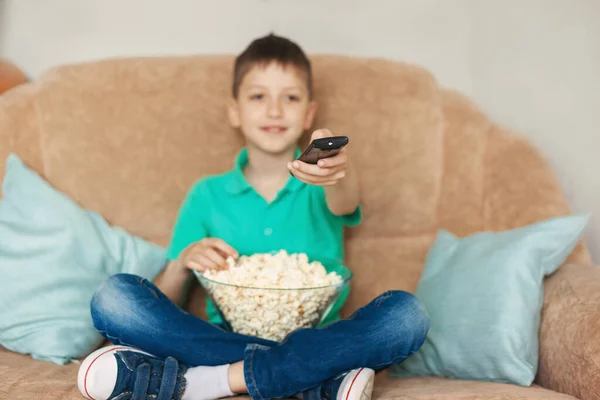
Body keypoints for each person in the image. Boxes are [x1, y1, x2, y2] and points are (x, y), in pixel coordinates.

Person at [77, 34, 429, 400]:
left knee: (408, 315)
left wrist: (337, 169)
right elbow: (166, 302)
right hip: (231, 339)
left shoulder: (321, 183)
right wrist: (183, 262)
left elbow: (344, 195)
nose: (274, 110)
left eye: (290, 97)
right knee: (113, 298)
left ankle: (210, 381)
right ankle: (317, 379)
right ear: (235, 110)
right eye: (258, 96)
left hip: (319, 335)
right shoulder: (207, 195)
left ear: (309, 112)